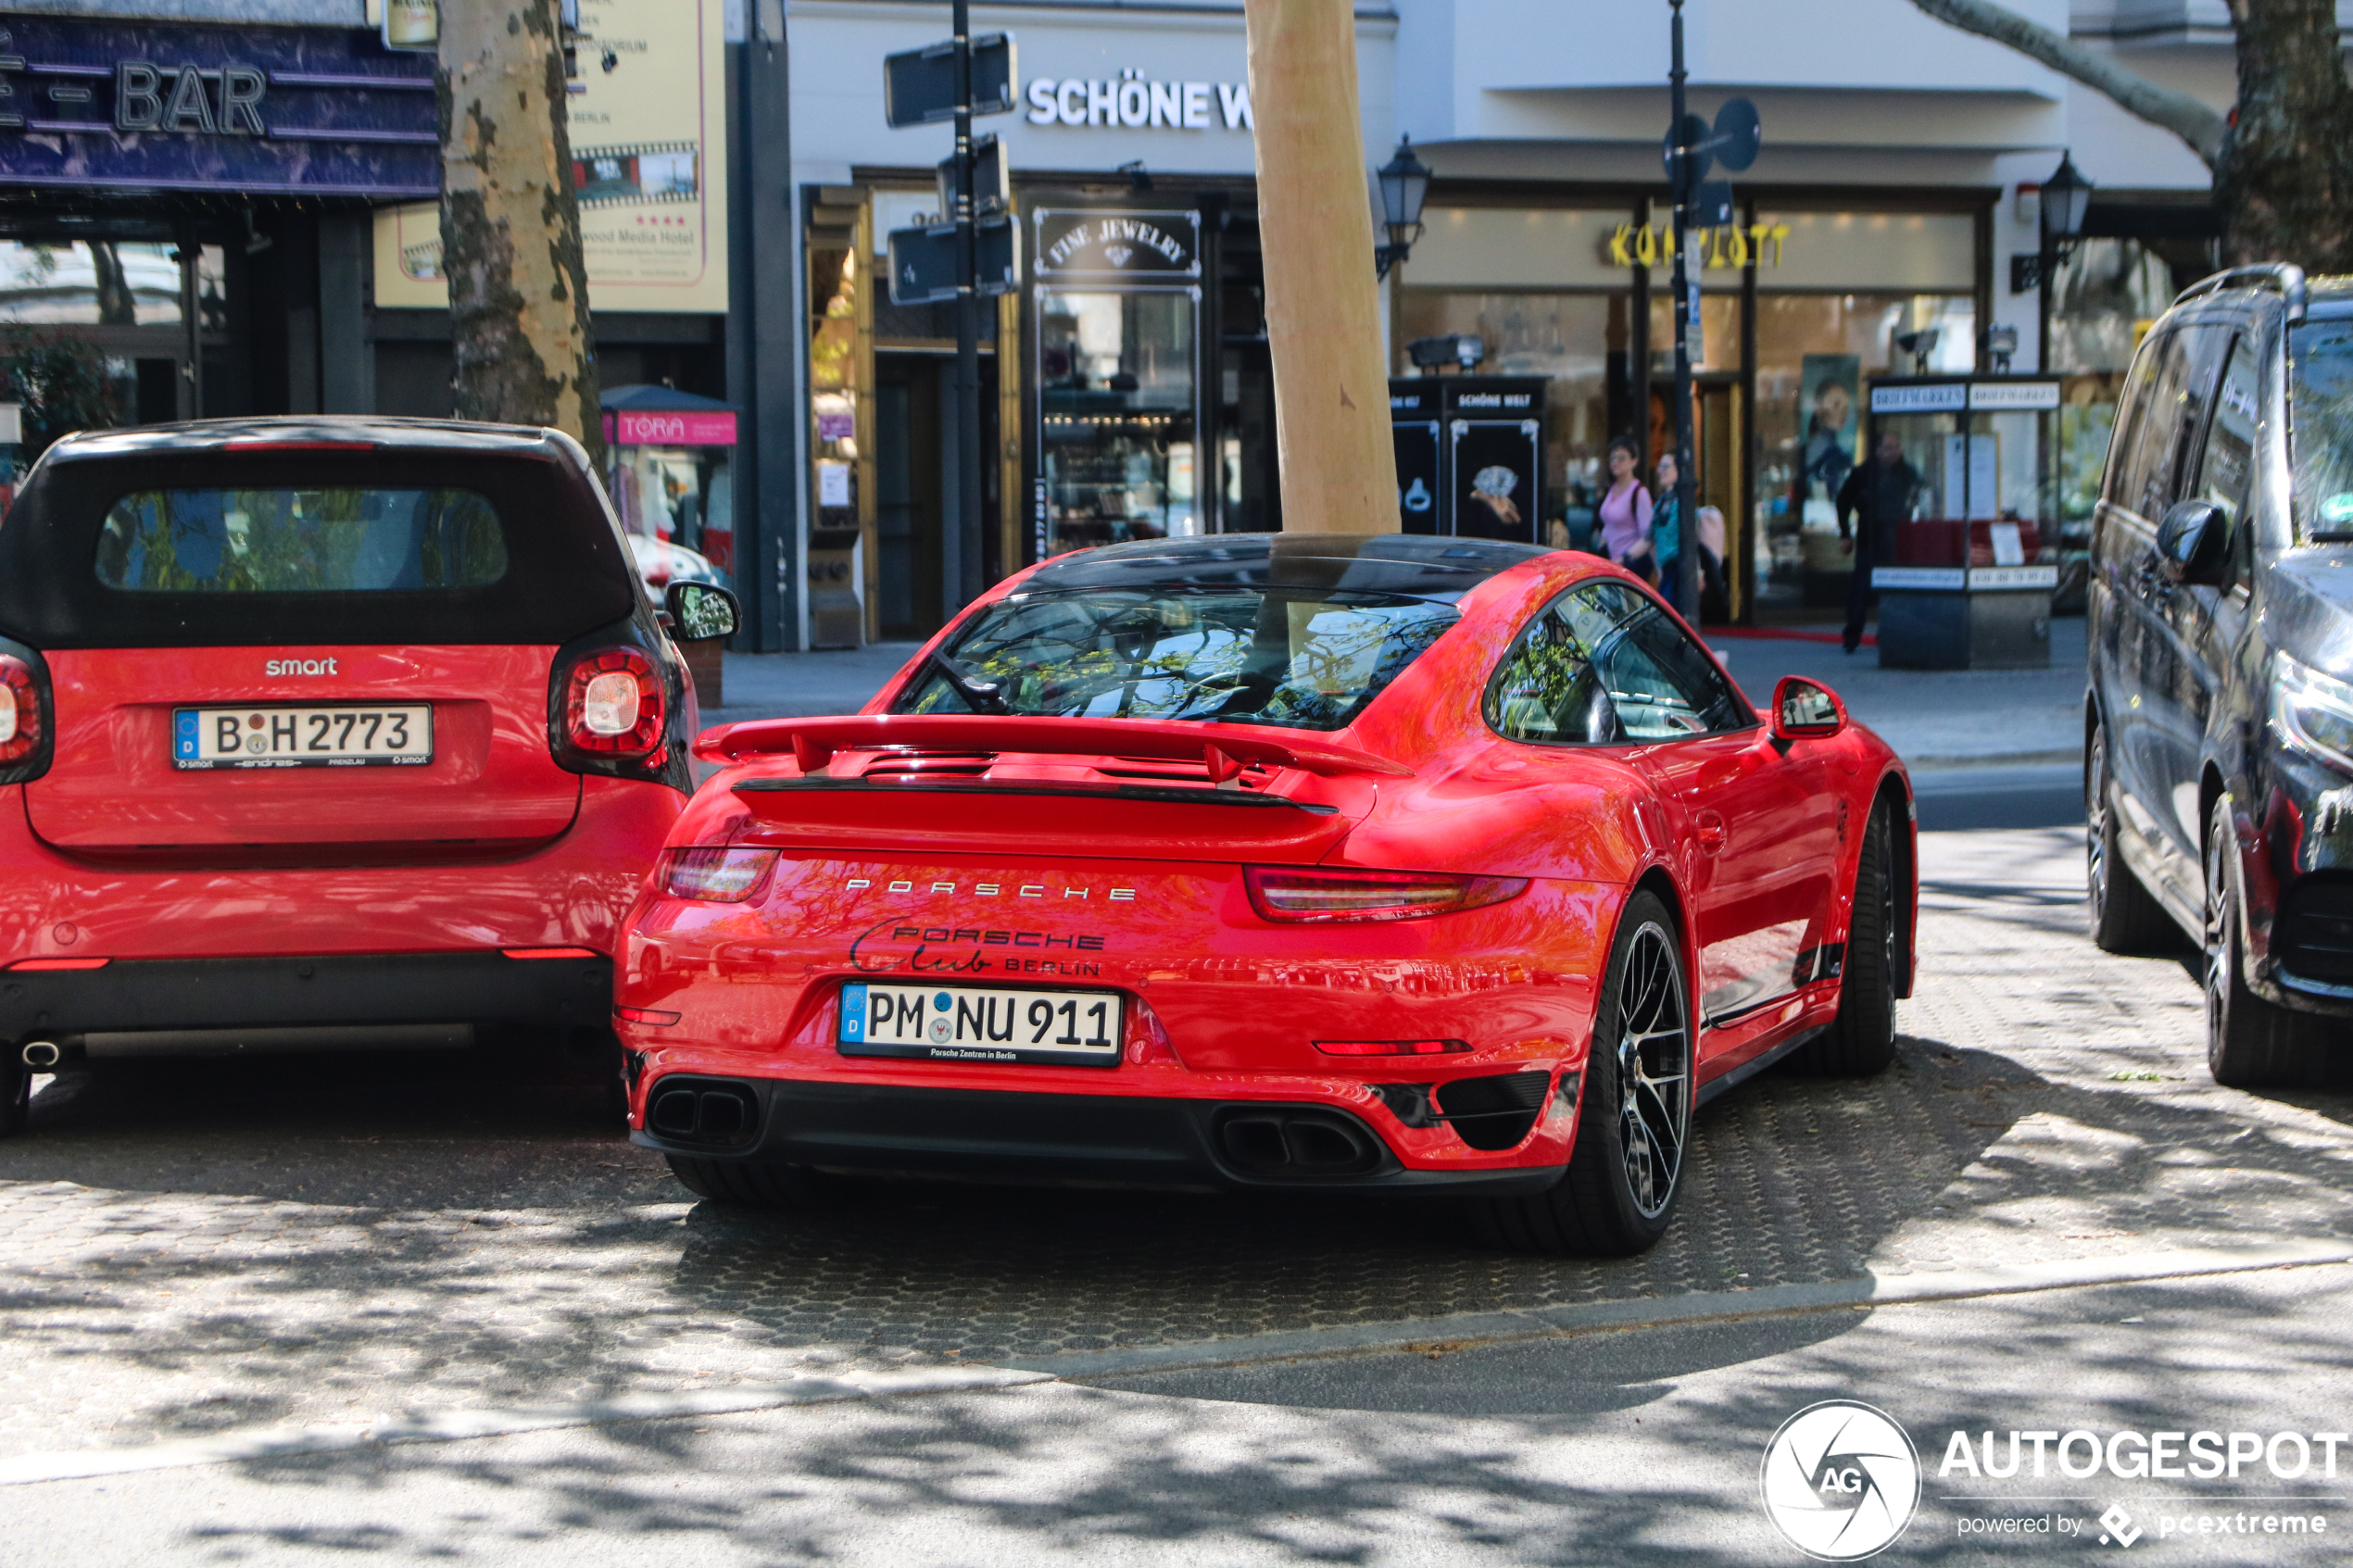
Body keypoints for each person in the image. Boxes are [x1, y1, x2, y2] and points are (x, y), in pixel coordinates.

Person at [1836, 429, 1923, 654]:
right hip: (1870, 538)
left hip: (1898, 539)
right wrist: (1845, 533)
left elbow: (1920, 497)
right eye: (1887, 448)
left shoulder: (1908, 473)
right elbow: (1843, 500)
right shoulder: (1864, 473)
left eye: (1896, 447)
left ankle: (1891, 632)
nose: (1892, 452)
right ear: (1877, 450)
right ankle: (1852, 635)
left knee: (1896, 588)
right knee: (1861, 589)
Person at [1597, 436, 1654, 579]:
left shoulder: (1639, 493)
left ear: (1634, 462)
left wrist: (1625, 558)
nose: (1615, 462)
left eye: (1621, 458)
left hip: (1631, 567)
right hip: (1612, 563)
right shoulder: (1613, 489)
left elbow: (1647, 536)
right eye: (1612, 458)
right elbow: (1608, 526)